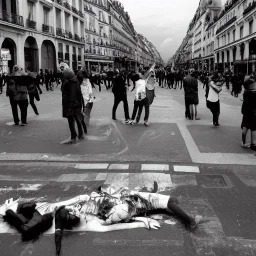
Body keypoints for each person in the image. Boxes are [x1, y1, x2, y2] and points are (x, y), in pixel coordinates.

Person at [98, 186, 203, 231]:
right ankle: (190, 221)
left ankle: (189, 219)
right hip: (139, 203)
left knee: (168, 203)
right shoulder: (120, 202)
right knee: (170, 201)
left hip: (138, 204)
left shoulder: (117, 200)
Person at [61, 69, 84, 144]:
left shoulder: (71, 83)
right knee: (77, 118)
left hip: (71, 103)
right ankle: (80, 134)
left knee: (71, 120)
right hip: (76, 102)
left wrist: (70, 105)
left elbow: (72, 94)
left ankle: (73, 137)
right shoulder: (75, 81)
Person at [241, 76, 256, 150]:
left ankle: (243, 142)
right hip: (252, 113)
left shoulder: (245, 92)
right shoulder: (253, 93)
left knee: (245, 127)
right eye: (254, 84)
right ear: (251, 85)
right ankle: (253, 144)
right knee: (254, 128)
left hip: (246, 112)